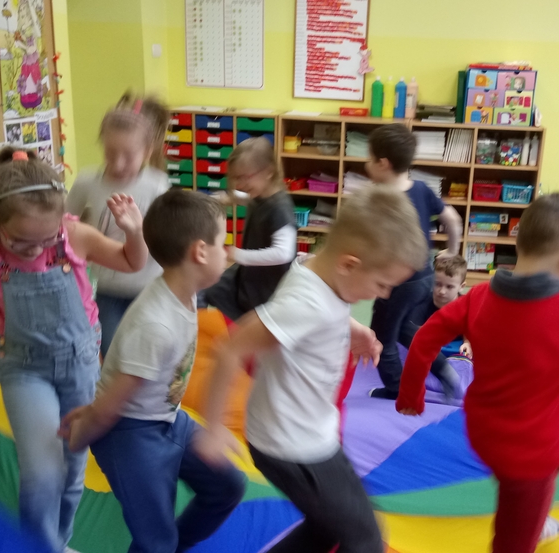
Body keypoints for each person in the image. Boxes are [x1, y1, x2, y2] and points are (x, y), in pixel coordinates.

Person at [0, 147, 148, 552]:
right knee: (42, 472)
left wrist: (134, 231)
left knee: (73, 467)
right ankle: (40, 545)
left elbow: (132, 262)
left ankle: (57, 541)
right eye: (22, 242)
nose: (37, 249)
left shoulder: (73, 236)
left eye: (47, 238)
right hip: (24, 369)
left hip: (79, 362)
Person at [395, 193, 559, 553]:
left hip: (483, 432)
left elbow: (424, 339)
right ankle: (529, 527)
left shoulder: (479, 296)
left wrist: (411, 395)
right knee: (515, 537)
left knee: (518, 487)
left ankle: (532, 518)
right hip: (533, 452)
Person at [196, 187, 430, 553]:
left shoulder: (316, 269)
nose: (384, 295)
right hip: (292, 445)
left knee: (326, 529)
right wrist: (213, 427)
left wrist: (353, 328)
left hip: (302, 434)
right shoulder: (306, 303)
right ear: (349, 264)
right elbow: (230, 348)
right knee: (365, 539)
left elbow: (323, 304)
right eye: (382, 284)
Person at [60, 189, 244, 553]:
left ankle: (173, 546)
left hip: (167, 418)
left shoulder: (185, 288)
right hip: (129, 432)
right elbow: (111, 407)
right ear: (200, 252)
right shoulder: (155, 325)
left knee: (228, 486)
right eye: (222, 243)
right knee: (155, 540)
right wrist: (81, 435)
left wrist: (136, 227)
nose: (227, 252)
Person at [66, 93, 170, 357]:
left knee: (147, 354)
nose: (118, 163)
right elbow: (63, 224)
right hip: (106, 291)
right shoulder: (87, 182)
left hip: (149, 289)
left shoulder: (157, 184)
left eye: (129, 155)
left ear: (147, 152)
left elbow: (169, 238)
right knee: (113, 354)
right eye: (110, 153)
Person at [364, 124, 463, 400]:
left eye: (369, 158)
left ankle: (398, 390)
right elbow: (453, 219)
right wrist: (452, 251)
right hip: (424, 277)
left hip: (399, 281)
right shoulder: (421, 188)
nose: (366, 164)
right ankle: (445, 371)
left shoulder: (381, 199)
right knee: (404, 328)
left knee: (382, 336)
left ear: (383, 163)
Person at [203, 137, 296, 321]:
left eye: (245, 178)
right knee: (210, 286)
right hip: (251, 273)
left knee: (250, 314)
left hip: (268, 285)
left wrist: (241, 255)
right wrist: (224, 199)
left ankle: (242, 329)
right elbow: (247, 199)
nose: (240, 184)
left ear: (268, 172)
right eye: (236, 178)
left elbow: (283, 253)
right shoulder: (259, 193)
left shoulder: (280, 208)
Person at [405, 255, 471, 402]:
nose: (441, 291)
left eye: (449, 287)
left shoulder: (466, 305)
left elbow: (472, 327)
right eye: (437, 284)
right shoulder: (424, 302)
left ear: (461, 286)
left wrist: (468, 342)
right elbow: (413, 331)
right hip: (434, 353)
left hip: (458, 352)